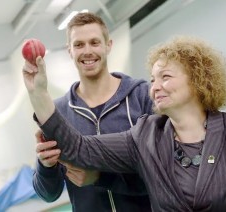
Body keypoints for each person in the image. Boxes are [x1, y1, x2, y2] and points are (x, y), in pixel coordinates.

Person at [23, 35, 226, 211]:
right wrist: (39, 94)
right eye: (152, 79)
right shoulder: (144, 136)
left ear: (197, 81)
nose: (155, 86)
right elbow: (78, 147)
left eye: (165, 77)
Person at [29, 12, 153, 212]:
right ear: (69, 50)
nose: (87, 51)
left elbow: (161, 173)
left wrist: (101, 178)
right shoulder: (57, 112)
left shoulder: (141, 96)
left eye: (94, 42)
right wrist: (46, 166)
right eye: (79, 45)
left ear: (108, 45)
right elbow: (48, 194)